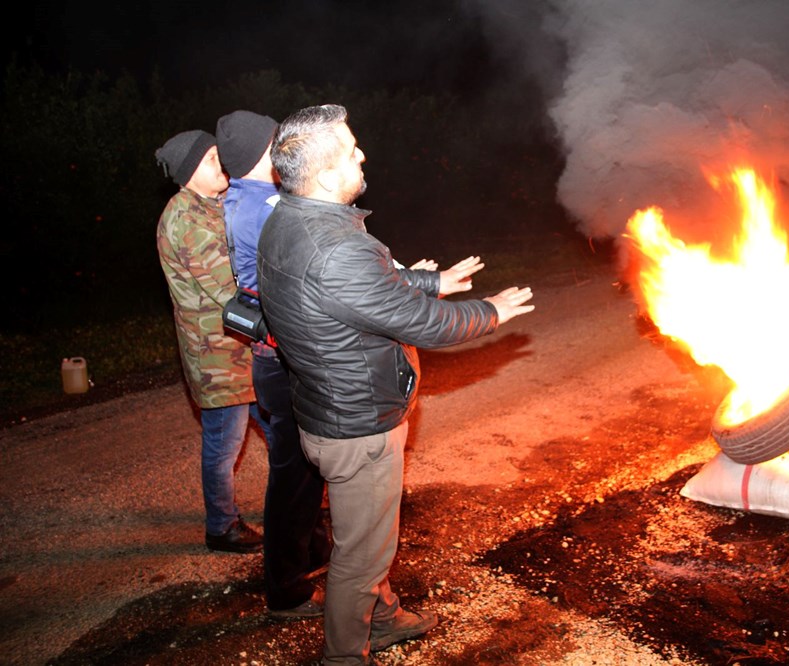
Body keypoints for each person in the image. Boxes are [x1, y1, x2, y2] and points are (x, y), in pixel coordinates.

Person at [256, 103, 535, 665]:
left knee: (371, 535)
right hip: (358, 426)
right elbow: (421, 324)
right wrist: (492, 311)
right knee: (360, 553)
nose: (362, 155)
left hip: (328, 410)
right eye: (352, 149)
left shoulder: (290, 219)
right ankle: (345, 655)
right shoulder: (337, 247)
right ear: (329, 175)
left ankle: (382, 618)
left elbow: (358, 288)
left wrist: (434, 279)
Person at [215, 110, 331, 618]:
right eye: (275, 141)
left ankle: (308, 555)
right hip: (282, 358)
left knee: (304, 467)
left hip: (273, 355)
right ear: (264, 150)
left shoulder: (240, 197)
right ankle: (286, 587)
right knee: (293, 476)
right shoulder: (266, 207)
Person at [154, 129, 271, 554]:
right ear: (188, 173)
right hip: (218, 357)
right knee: (225, 445)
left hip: (243, 348)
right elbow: (229, 289)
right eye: (210, 161)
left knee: (279, 430)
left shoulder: (212, 204)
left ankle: (299, 502)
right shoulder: (185, 219)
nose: (221, 165)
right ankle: (221, 526)